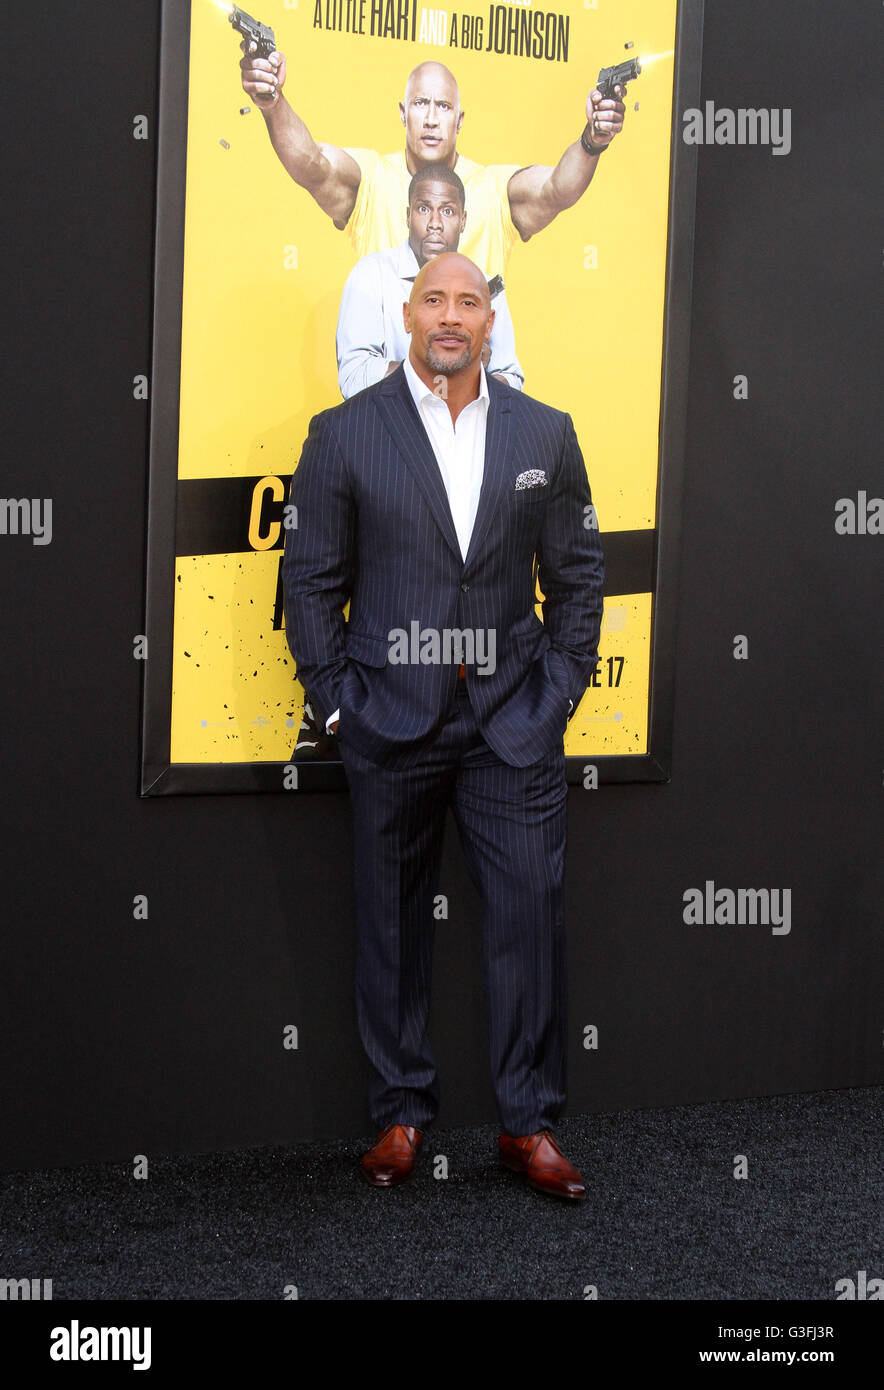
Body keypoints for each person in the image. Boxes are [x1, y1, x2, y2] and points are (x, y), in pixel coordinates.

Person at [282, 252, 605, 1201]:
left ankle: (528, 1125)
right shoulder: (343, 435)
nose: (452, 316)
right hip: (392, 721)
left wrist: (555, 698)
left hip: (513, 723)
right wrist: (341, 702)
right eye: (435, 300)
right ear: (408, 315)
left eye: (470, 300)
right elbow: (307, 581)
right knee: (388, 926)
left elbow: (580, 577)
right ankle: (398, 1116)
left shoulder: (546, 432)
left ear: (491, 321)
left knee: (527, 923)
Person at [239, 52, 628, 271]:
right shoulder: (372, 179)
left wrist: (592, 141)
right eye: (421, 104)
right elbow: (310, 164)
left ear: (459, 120)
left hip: (470, 394)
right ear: (402, 113)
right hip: (387, 391)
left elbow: (558, 188)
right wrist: (273, 103)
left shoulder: (492, 189)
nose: (430, 118)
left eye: (442, 106)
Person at [336, 163, 524, 398]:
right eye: (424, 209)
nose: (435, 223)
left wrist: (479, 379)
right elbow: (354, 378)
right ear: (407, 216)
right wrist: (450, 369)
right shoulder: (370, 274)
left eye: (447, 211)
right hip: (390, 429)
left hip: (466, 429)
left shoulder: (486, 286)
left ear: (463, 221)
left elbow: (512, 380)